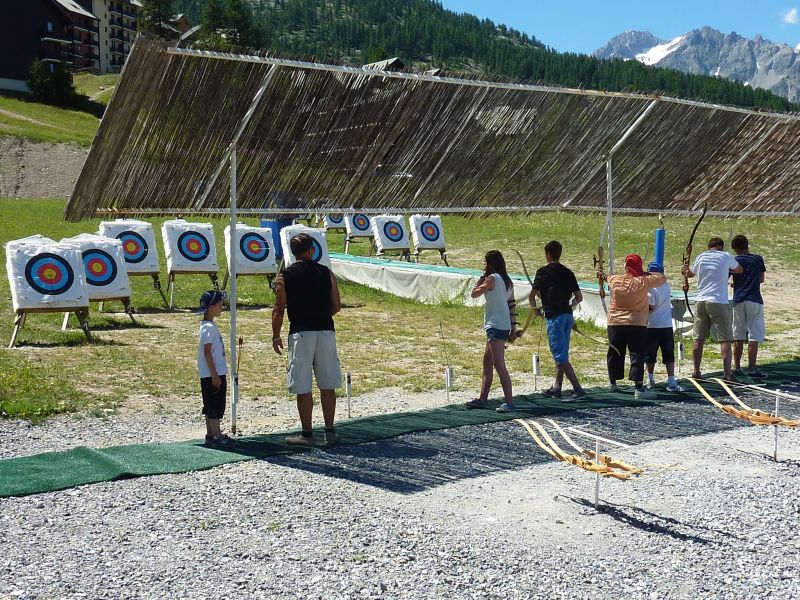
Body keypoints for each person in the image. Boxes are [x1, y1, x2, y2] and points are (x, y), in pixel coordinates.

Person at [272, 233, 343, 446]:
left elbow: (279, 309)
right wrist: (319, 316)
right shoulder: (326, 273)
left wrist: (275, 335)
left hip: (301, 333)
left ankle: (307, 434)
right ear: (311, 250)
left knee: (303, 385)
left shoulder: (284, 276)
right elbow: (337, 306)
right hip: (325, 331)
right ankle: (330, 432)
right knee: (327, 384)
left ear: (293, 253)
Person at [601, 254, 666, 399]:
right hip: (636, 323)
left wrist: (602, 274)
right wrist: (644, 272)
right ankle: (638, 388)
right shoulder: (643, 281)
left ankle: (613, 383)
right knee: (637, 353)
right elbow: (662, 278)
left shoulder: (615, 279)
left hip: (615, 322)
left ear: (625, 266)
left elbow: (605, 277)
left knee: (615, 352)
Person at [529, 240, 587, 402]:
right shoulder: (568, 272)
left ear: (547, 253)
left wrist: (536, 311)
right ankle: (557, 387)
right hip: (567, 316)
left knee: (560, 355)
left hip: (554, 317)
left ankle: (577, 389)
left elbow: (532, 296)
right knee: (562, 352)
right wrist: (568, 305)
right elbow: (579, 298)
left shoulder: (542, 272)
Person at [682, 237, 743, 380]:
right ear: (721, 247)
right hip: (718, 301)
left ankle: (696, 371)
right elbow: (739, 269)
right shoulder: (725, 256)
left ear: (709, 247)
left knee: (698, 339)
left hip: (701, 300)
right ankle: (728, 373)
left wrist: (685, 269)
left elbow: (689, 274)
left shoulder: (701, 257)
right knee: (725, 340)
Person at [465, 250, 517, 412]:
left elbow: (474, 294)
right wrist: (513, 328)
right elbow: (512, 305)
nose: (484, 266)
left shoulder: (491, 279)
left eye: (485, 263)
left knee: (499, 364)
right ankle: (483, 398)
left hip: (495, 325)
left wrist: (481, 279)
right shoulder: (507, 281)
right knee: (487, 361)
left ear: (490, 264)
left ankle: (509, 402)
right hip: (503, 324)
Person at [197, 290, 236, 448]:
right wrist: (214, 375)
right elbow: (207, 352)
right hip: (213, 374)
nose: (222, 308)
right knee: (215, 405)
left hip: (213, 373)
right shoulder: (208, 328)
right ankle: (218, 436)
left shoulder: (209, 326)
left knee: (210, 404)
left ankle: (210, 435)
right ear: (211, 307)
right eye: (220, 305)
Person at [730, 234, 767, 378]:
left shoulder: (735, 260)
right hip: (754, 298)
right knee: (753, 335)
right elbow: (761, 279)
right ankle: (752, 368)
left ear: (736, 249)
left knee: (738, 335)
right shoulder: (758, 259)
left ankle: (737, 367)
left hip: (739, 298)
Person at [644, 262, 683, 392]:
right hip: (666, 324)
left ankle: (650, 379)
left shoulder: (651, 287)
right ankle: (671, 380)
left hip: (652, 324)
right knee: (668, 354)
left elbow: (651, 307)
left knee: (650, 354)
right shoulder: (666, 285)